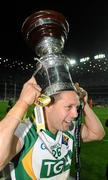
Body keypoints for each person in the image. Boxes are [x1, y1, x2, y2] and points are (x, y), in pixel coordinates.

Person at [0, 76, 105, 180]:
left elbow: (97, 134)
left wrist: (84, 103)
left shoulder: (69, 129)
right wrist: (23, 103)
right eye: (69, 107)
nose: (75, 114)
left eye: (76, 107)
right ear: (47, 104)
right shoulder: (25, 131)